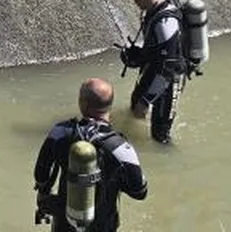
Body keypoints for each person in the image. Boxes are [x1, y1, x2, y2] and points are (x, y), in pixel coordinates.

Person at [33, 78, 147, 232]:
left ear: (82, 104)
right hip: (103, 226)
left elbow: (41, 175)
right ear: (110, 105)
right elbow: (139, 192)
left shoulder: (60, 132)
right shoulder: (121, 148)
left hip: (64, 224)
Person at [119, 0, 188, 145]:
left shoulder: (166, 24)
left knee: (160, 135)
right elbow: (156, 50)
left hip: (170, 77)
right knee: (135, 109)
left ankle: (169, 161)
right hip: (153, 68)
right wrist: (137, 55)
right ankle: (136, 133)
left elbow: (167, 67)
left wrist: (147, 99)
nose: (134, 2)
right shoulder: (156, 7)